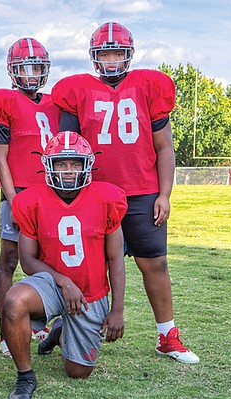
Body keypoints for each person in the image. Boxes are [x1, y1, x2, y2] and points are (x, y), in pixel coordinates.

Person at [51, 22, 199, 364]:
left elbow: (164, 148)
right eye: (106, 53)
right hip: (95, 194)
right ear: (95, 57)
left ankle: (167, 336)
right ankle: (68, 329)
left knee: (155, 264)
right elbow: (69, 150)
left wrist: (165, 194)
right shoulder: (77, 90)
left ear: (129, 55)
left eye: (117, 53)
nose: (112, 60)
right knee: (88, 268)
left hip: (142, 192)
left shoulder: (148, 86)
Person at [2, 131, 128, 399]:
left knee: (78, 372)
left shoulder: (107, 199)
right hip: (51, 282)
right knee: (14, 300)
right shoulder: (31, 201)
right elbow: (27, 261)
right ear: (49, 165)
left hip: (90, 291)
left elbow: (116, 259)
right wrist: (62, 281)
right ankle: (25, 376)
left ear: (87, 164)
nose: (68, 171)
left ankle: (59, 332)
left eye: (75, 163)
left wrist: (117, 309)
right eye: (61, 164)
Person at [0, 37, 60, 355]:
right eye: (24, 67)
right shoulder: (5, 103)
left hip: (52, 192)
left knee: (48, 258)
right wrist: (14, 200)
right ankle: (7, 329)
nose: (30, 74)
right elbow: (0, 158)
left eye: (36, 67)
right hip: (19, 193)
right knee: (10, 259)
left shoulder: (57, 103)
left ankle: (38, 322)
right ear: (12, 71)